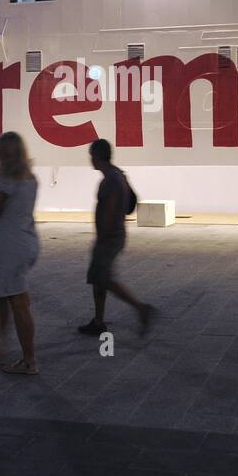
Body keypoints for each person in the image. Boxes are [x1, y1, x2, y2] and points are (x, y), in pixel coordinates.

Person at [79, 139, 155, 336]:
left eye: (91, 156)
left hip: (109, 237)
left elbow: (110, 210)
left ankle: (141, 308)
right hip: (113, 235)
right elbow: (130, 203)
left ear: (97, 157)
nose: (90, 161)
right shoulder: (118, 174)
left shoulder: (110, 180)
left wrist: (102, 236)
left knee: (105, 279)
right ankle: (98, 320)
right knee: (98, 279)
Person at [0, 132, 41, 375]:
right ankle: (3, 345)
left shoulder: (8, 180)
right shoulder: (31, 178)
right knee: (14, 298)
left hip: (10, 246)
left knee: (19, 303)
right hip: (27, 240)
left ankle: (29, 360)